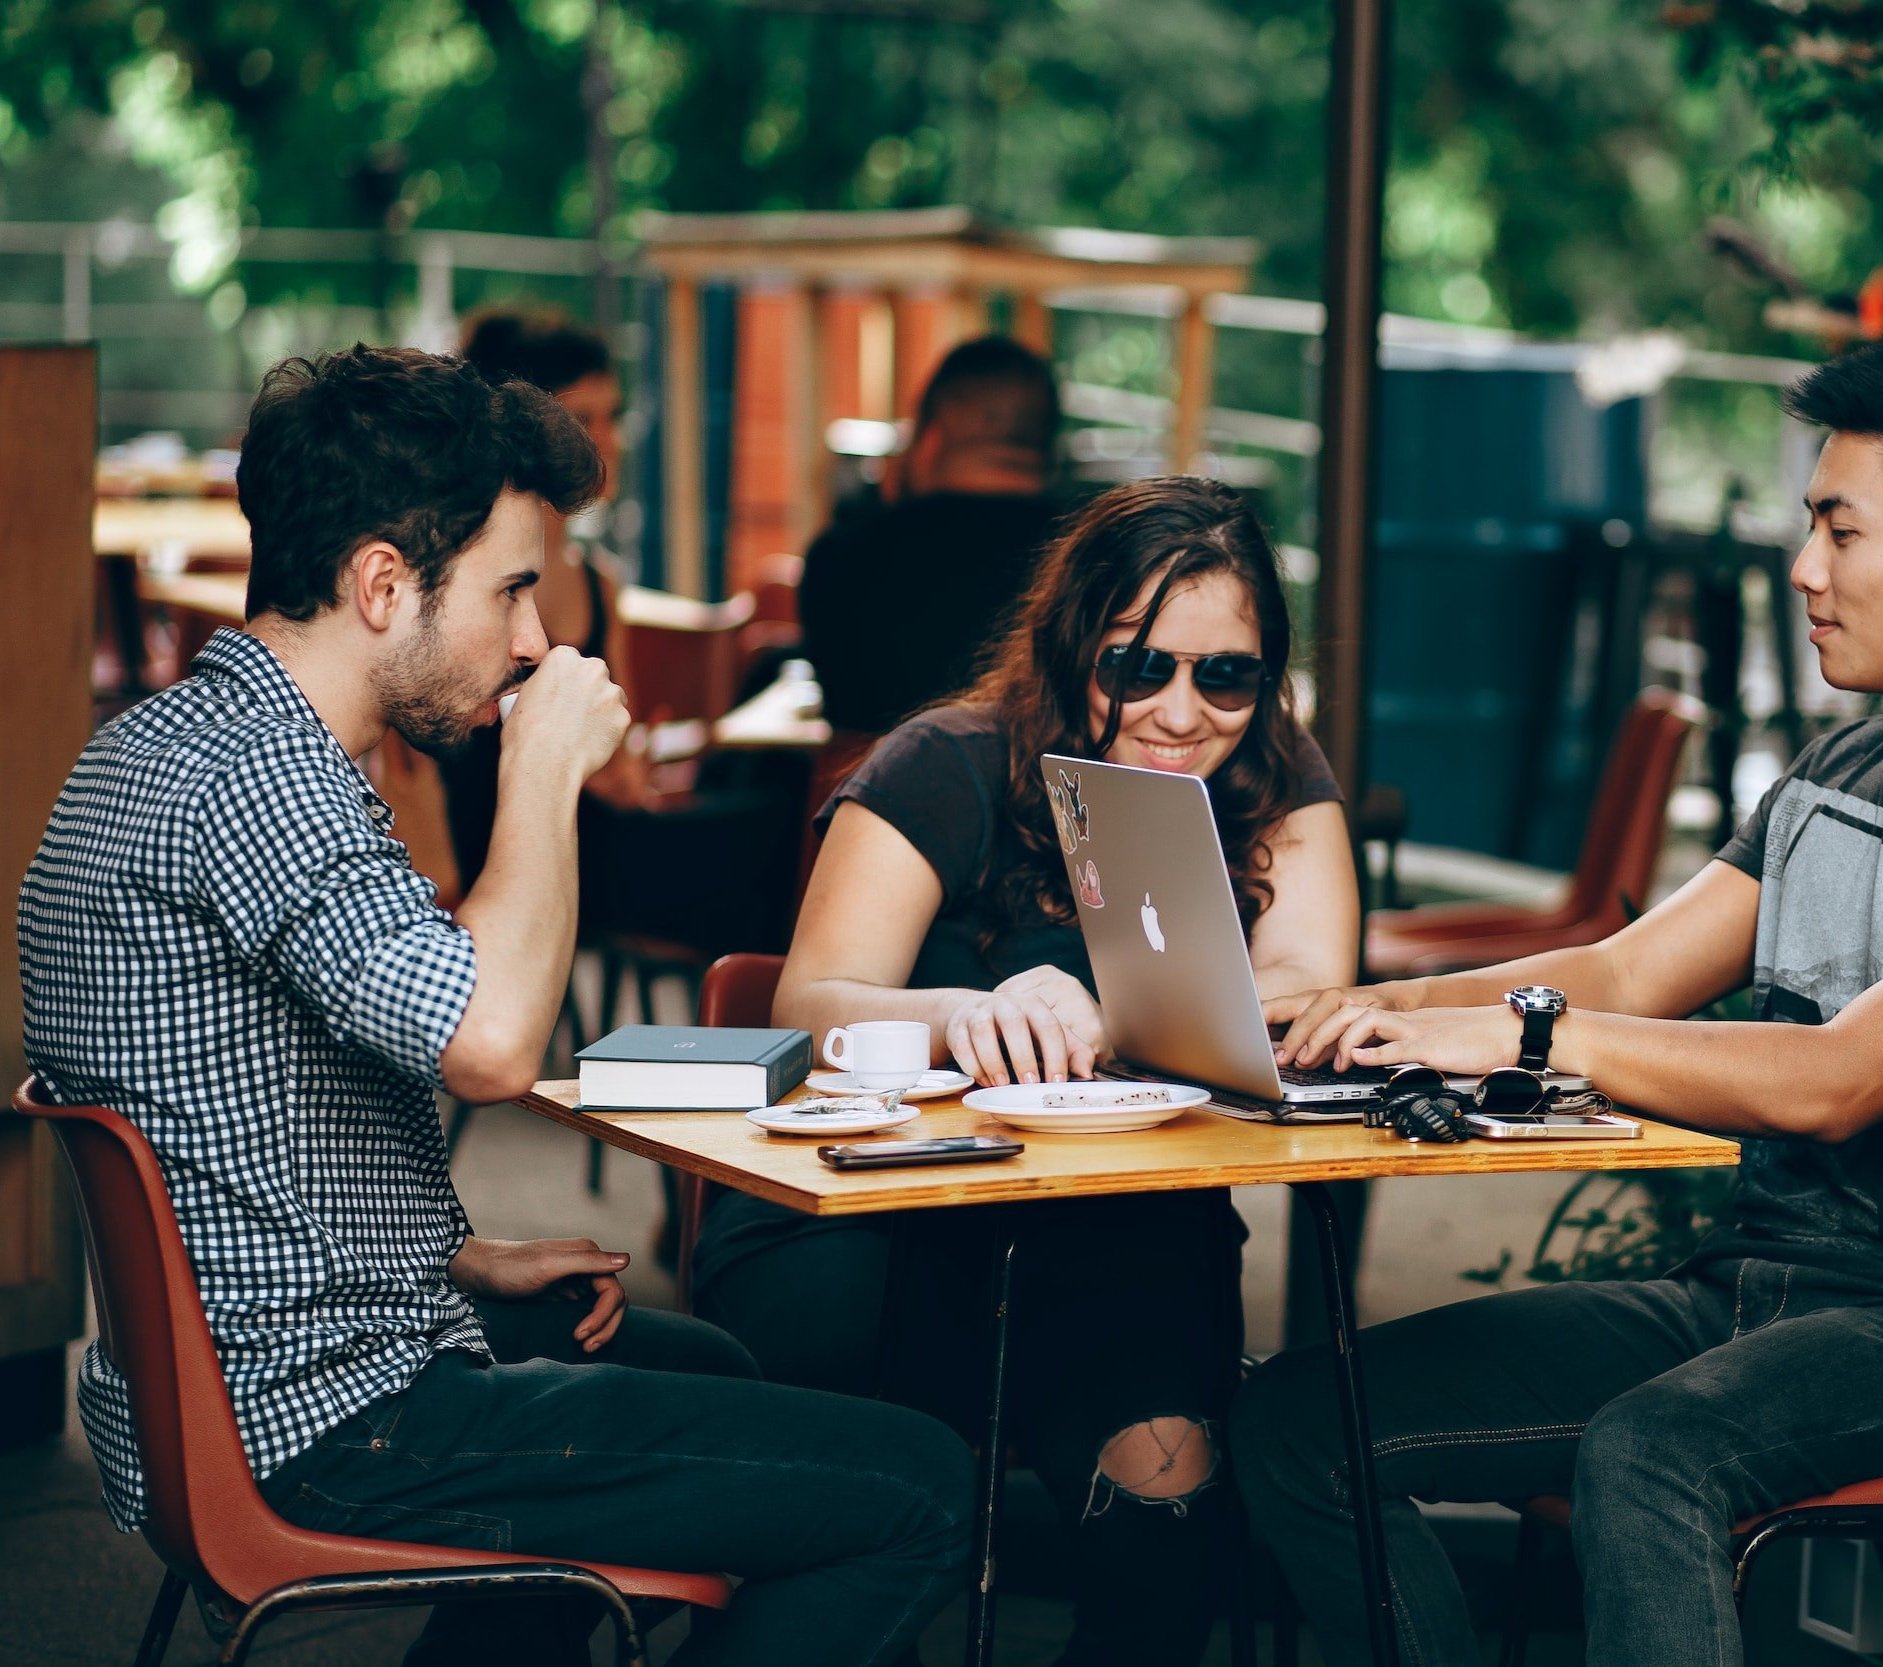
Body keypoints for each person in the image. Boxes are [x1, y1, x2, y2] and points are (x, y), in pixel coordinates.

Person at [18, 345, 972, 1667]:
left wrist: (447, 1253)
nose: (535, 637)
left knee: (720, 1376)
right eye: (513, 589)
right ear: (380, 584)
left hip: (231, 1376)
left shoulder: (165, 744)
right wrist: (542, 772)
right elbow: (493, 1044)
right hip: (323, 1416)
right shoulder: (262, 784)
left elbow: (223, 1111)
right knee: (918, 1484)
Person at [1233, 341, 1883, 1667]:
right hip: (1741, 1293)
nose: (1804, 568)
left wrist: (1516, 1030)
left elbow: (1837, 1075)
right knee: (1299, 1423)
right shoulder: (1838, 763)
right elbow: (1623, 970)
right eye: (1809, 526)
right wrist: (1351, 1007)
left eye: (1840, 530)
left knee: (1649, 1450)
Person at [692, 476, 1361, 1667]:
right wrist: (969, 1009)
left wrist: (1107, 1012)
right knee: (882, 1509)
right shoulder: (943, 761)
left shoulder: (1270, 775)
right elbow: (806, 1002)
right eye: (1136, 666)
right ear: (1071, 653)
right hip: (880, 1220)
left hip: (1112, 1233)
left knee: (1167, 1512)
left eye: (1226, 672)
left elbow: (1307, 987)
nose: (1180, 708)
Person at [441, 307, 647, 892]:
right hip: (477, 858)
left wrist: (621, 766)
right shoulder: (454, 583)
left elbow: (622, 755)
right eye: (583, 418)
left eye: (614, 417)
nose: (608, 442)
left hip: (585, 849)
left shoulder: (601, 587)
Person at [798, 335, 1064, 734]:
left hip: (869, 792)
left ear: (931, 437)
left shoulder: (841, 556)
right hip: (1040, 793)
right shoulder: (1090, 556)